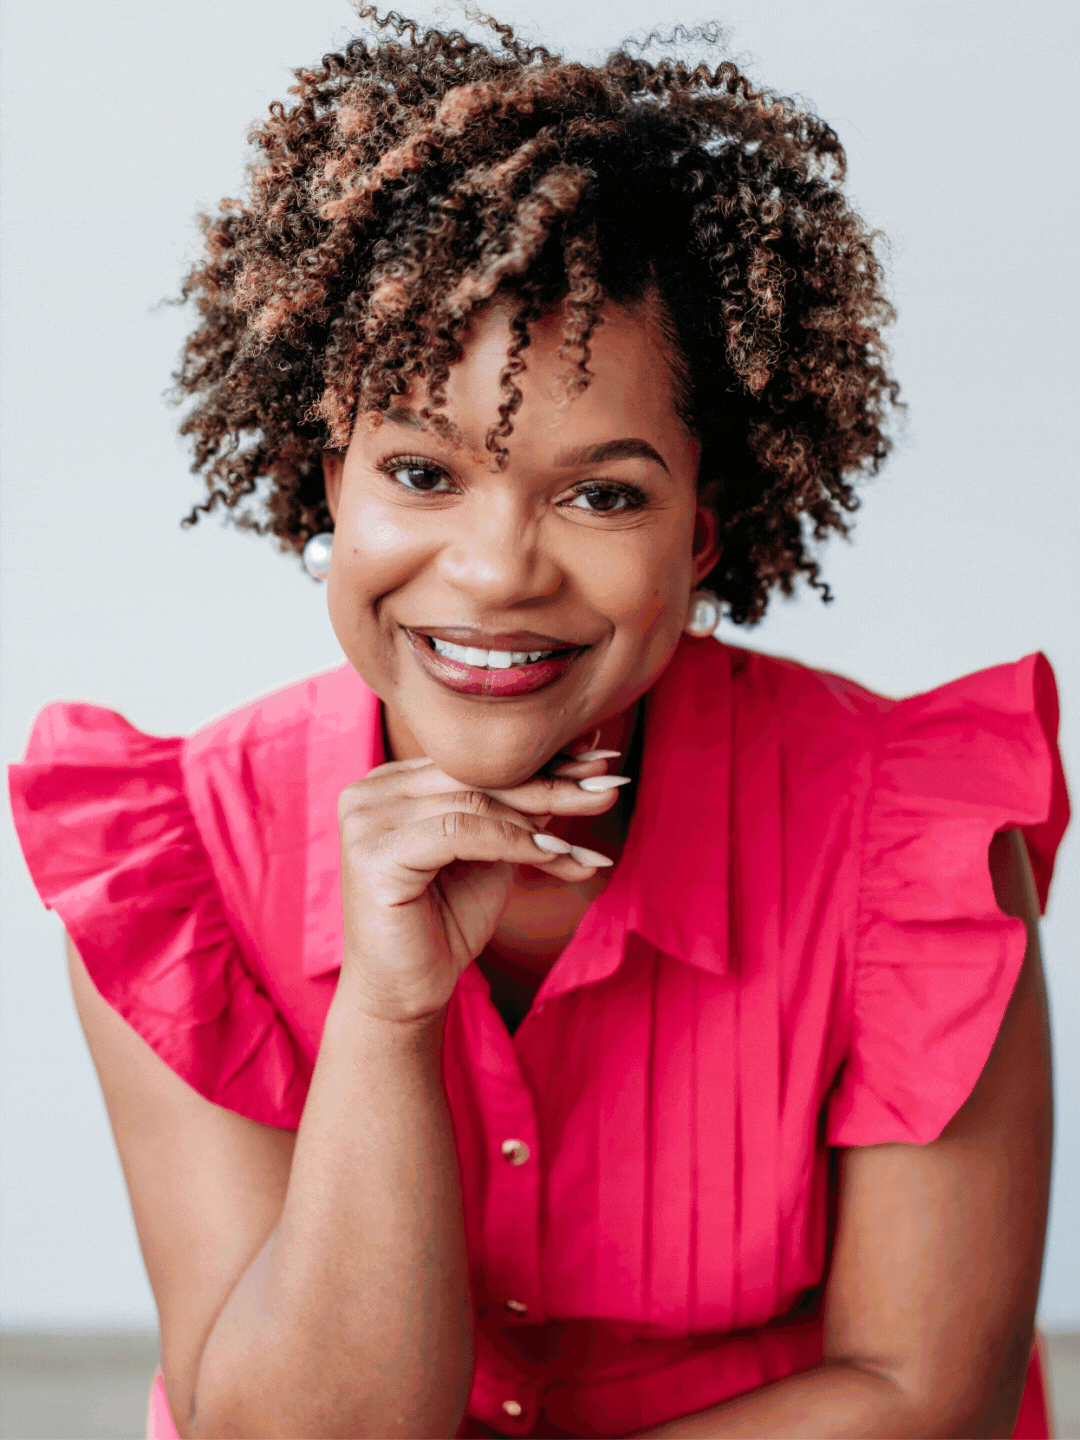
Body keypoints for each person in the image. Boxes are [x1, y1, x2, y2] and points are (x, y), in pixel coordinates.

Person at [7, 8, 1069, 1437]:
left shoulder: (910, 839)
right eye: (420, 471)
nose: (497, 572)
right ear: (326, 480)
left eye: (604, 493)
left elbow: (917, 1400)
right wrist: (386, 1016)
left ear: (706, 530)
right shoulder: (177, 861)